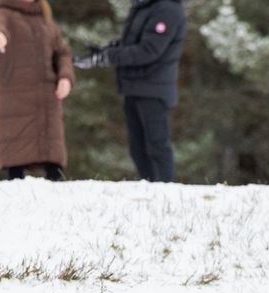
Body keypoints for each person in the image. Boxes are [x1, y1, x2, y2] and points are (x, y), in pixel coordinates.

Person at [73, 0, 186, 182]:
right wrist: (102, 52)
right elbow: (131, 42)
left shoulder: (167, 9)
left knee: (156, 145)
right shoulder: (144, 6)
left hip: (153, 88)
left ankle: (165, 190)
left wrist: (106, 57)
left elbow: (149, 50)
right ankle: (149, 187)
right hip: (135, 87)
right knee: (138, 148)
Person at [0, 0, 74, 181]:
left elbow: (62, 52)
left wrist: (65, 77)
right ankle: (14, 178)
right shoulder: (2, 11)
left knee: (52, 143)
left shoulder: (45, 19)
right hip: (13, 92)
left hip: (47, 94)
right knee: (14, 141)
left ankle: (55, 176)